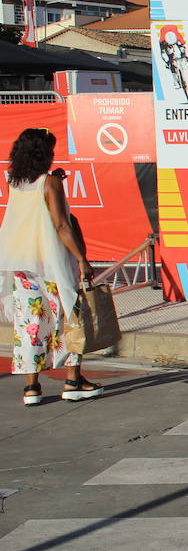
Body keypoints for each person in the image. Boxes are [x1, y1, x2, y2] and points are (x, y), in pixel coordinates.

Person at [0, 128, 101, 405]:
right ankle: (72, 381)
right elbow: (60, 225)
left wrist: (54, 181)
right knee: (69, 317)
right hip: (50, 265)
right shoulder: (50, 184)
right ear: (44, 154)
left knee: (31, 325)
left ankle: (31, 388)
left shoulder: (16, 182)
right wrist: (82, 259)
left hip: (22, 265)